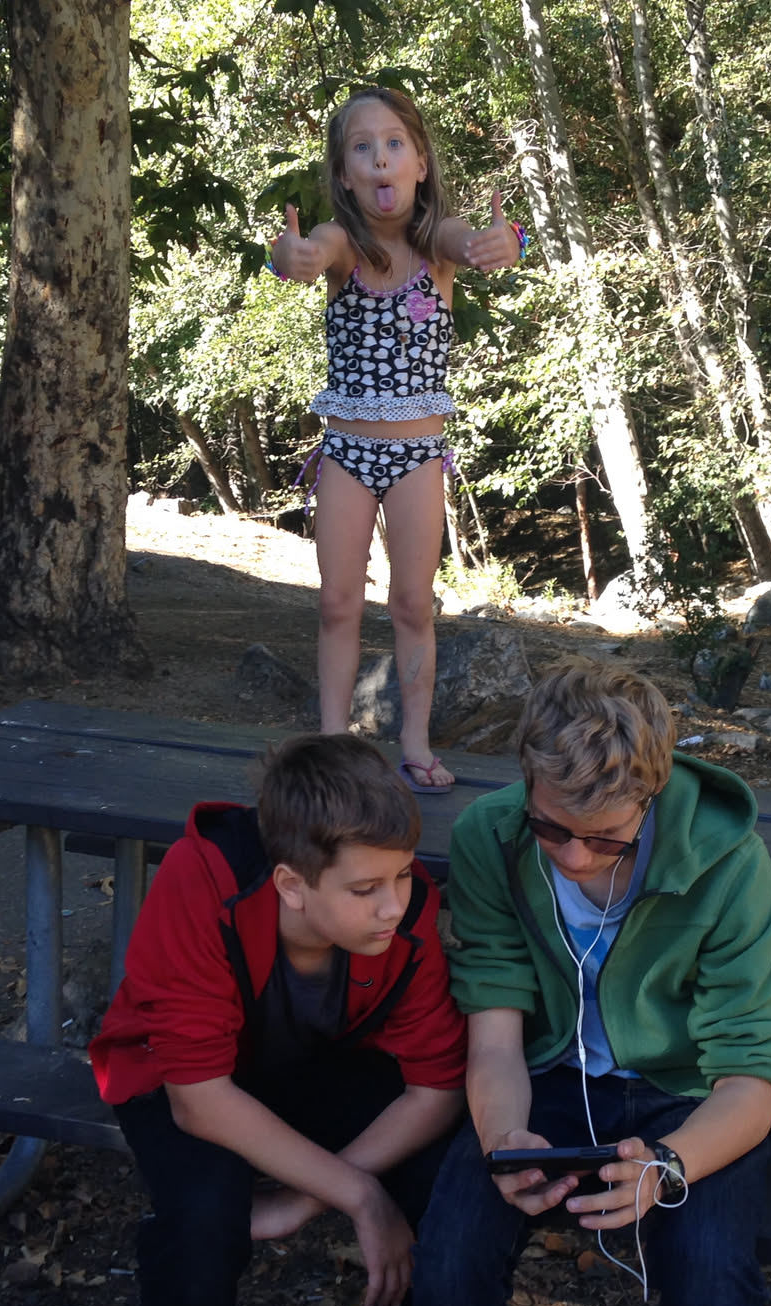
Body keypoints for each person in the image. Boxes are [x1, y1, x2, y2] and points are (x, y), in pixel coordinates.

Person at [413, 657, 771, 1306]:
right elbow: (495, 1036)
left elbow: (749, 1081)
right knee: (450, 1254)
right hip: (547, 1078)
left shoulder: (730, 864)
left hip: (692, 1096)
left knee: (710, 1276)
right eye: (551, 828)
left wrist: (668, 1166)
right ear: (525, 781)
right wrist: (504, 1139)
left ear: (651, 796)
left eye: (607, 840)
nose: (574, 858)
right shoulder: (492, 835)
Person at [89, 734, 467, 1306]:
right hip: (181, 1076)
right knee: (201, 1222)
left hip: (317, 1063)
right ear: (292, 884)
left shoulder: (405, 909)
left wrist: (309, 1196)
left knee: (449, 1184)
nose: (394, 906)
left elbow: (437, 1087)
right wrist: (358, 1193)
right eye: (366, 890)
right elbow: (199, 1099)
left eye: (403, 875)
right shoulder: (204, 881)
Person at [267, 86, 523, 796]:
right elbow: (300, 252)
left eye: (394, 144)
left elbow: (472, 242)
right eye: (362, 147)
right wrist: (288, 256)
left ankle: (414, 741)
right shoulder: (341, 244)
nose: (380, 158)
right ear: (345, 175)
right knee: (337, 603)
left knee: (412, 603)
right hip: (347, 454)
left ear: (420, 163)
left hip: (417, 458)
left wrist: (506, 242)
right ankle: (331, 743)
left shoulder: (437, 244)